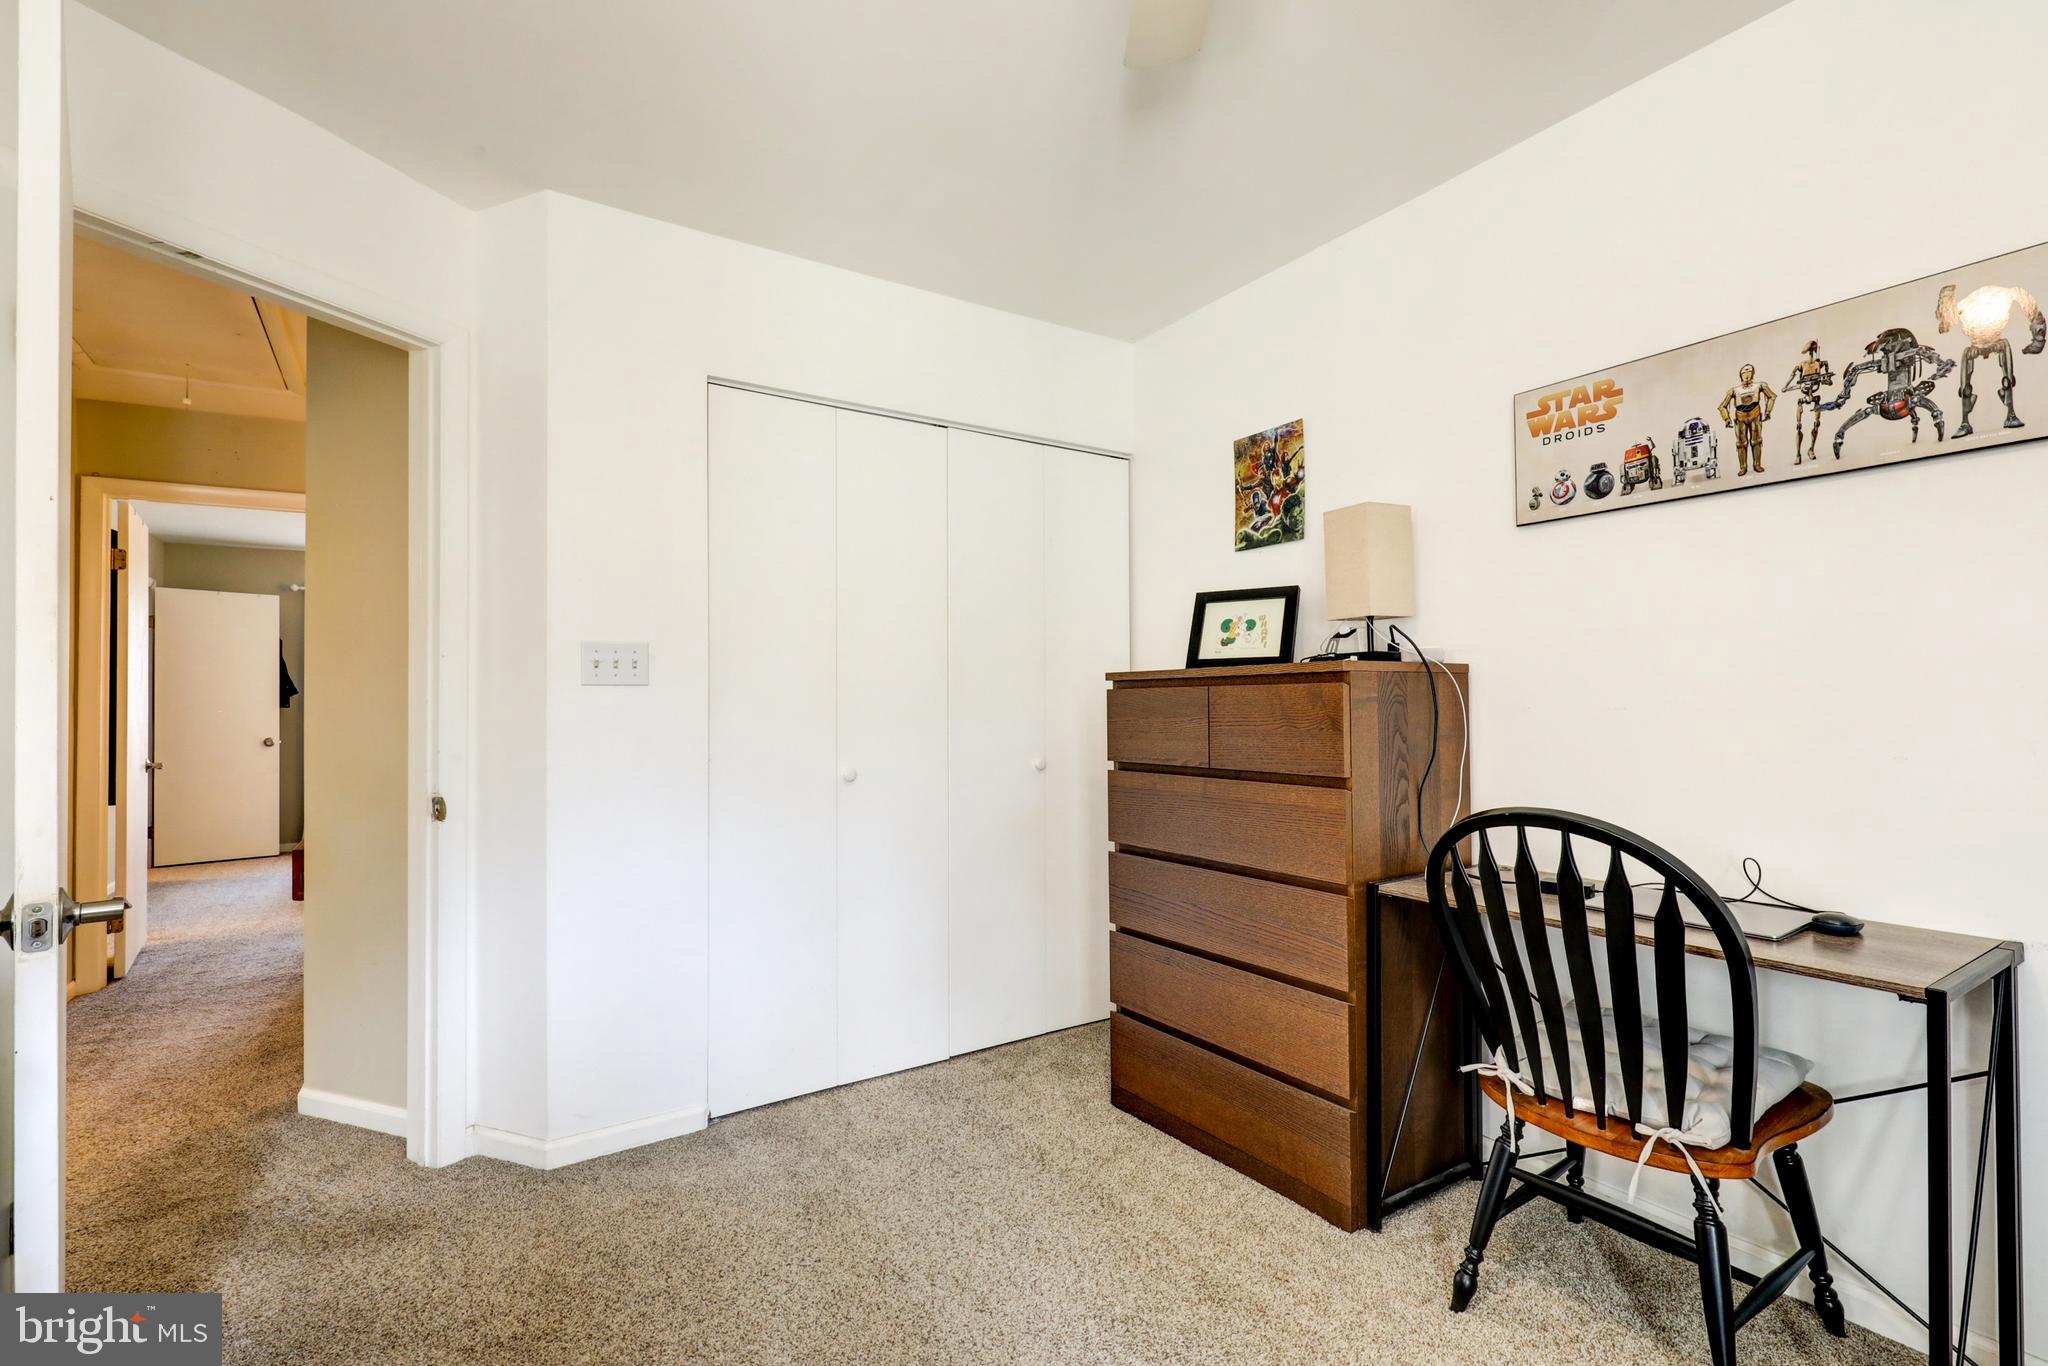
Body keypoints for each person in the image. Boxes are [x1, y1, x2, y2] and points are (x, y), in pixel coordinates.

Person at [1718, 363, 1777, 475]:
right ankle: (1743, 467)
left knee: (1757, 441)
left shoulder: (1760, 385)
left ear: (1753, 373)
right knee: (1741, 443)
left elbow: (1772, 396)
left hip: (1755, 414)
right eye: (1744, 372)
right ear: (1740, 375)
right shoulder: (1734, 390)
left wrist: (1768, 411)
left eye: (1749, 371)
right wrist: (1726, 418)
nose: (1747, 374)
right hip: (1740, 416)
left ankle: (1757, 464)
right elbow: (1722, 406)